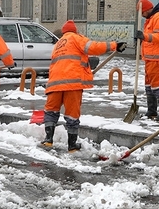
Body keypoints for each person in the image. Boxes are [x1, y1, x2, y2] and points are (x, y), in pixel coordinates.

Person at [41, 20, 126, 152]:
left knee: (51, 111)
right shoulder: (76, 38)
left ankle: (48, 140)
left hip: (54, 84)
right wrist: (114, 45)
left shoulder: (58, 44)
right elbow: (94, 47)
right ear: (75, 31)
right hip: (72, 83)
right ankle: (72, 145)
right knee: (72, 114)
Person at [136, 0, 159, 121]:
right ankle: (152, 111)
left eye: (142, 13)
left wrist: (144, 36)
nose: (143, 16)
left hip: (157, 59)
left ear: (146, 10)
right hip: (150, 59)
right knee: (149, 86)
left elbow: (158, 36)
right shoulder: (150, 19)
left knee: (157, 85)